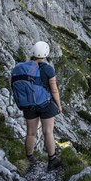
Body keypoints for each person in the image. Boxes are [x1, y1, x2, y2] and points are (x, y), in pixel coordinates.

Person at [23, 41, 63, 170]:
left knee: (31, 133)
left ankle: (29, 158)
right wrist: (59, 105)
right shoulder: (48, 69)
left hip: (29, 104)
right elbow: (54, 90)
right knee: (48, 131)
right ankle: (52, 159)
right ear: (45, 54)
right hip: (45, 104)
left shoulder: (23, 67)